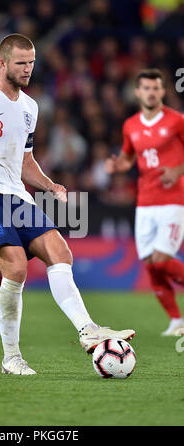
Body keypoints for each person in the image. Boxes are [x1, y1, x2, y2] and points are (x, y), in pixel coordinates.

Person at [0, 33, 135, 375]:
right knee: (17, 267)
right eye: (21, 63)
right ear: (3, 62)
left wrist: (50, 184)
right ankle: (12, 357)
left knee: (60, 250)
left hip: (15, 193)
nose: (27, 69)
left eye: (32, 62)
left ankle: (88, 330)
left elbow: (25, 162)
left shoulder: (29, 108)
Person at [105, 68, 184, 336]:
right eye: (146, 88)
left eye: (156, 88)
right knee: (151, 264)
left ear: (163, 91)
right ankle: (176, 321)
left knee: (162, 260)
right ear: (138, 92)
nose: (151, 92)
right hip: (145, 201)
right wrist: (118, 166)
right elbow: (129, 158)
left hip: (173, 199)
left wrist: (177, 170)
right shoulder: (131, 125)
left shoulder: (176, 121)